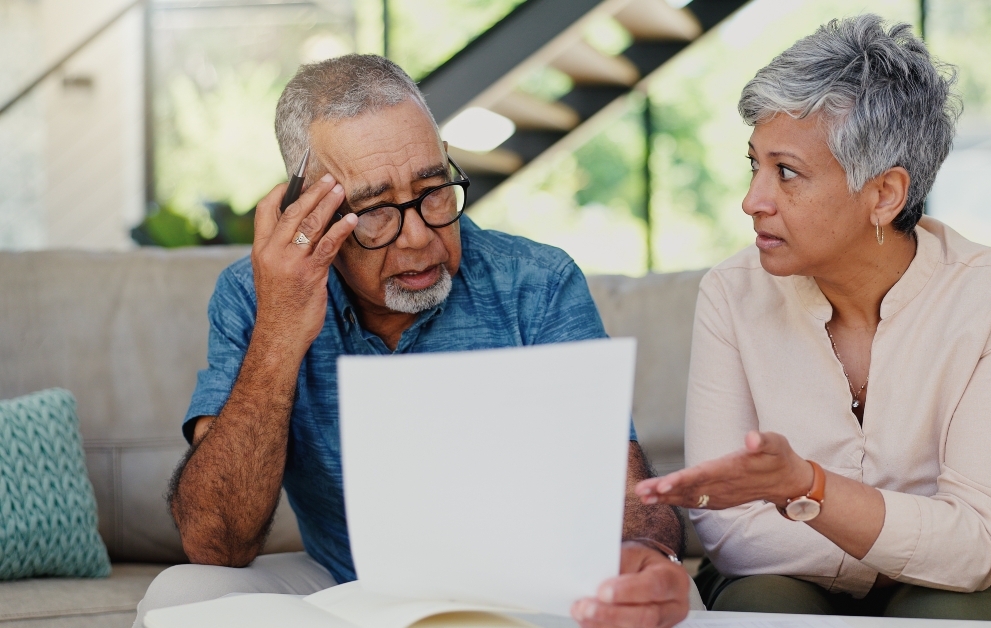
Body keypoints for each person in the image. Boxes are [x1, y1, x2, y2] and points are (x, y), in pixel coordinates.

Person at [133, 54, 692, 628]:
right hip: (341, 586)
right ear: (312, 213)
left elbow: (618, 484)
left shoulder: (537, 282)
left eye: (434, 190)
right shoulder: (256, 295)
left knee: (672, 599)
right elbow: (216, 543)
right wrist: (279, 330)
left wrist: (647, 557)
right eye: (375, 212)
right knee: (181, 594)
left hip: (525, 588)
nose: (420, 236)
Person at [635, 15, 991, 622]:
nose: (752, 200)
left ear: (884, 195)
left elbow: (981, 542)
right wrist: (946, 552)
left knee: (950, 613)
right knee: (766, 605)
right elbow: (729, 529)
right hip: (788, 574)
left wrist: (807, 490)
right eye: (754, 165)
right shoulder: (730, 293)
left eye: (786, 172)